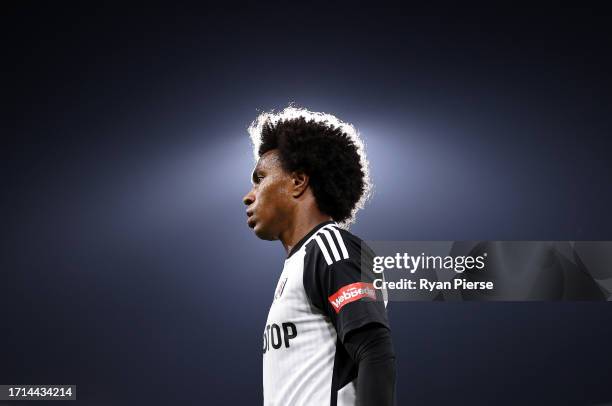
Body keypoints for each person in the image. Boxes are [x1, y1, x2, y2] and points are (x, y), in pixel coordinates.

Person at [243, 106, 396, 406]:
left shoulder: (330, 248)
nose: (249, 194)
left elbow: (375, 349)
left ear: (298, 181)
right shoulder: (299, 263)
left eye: (260, 178)